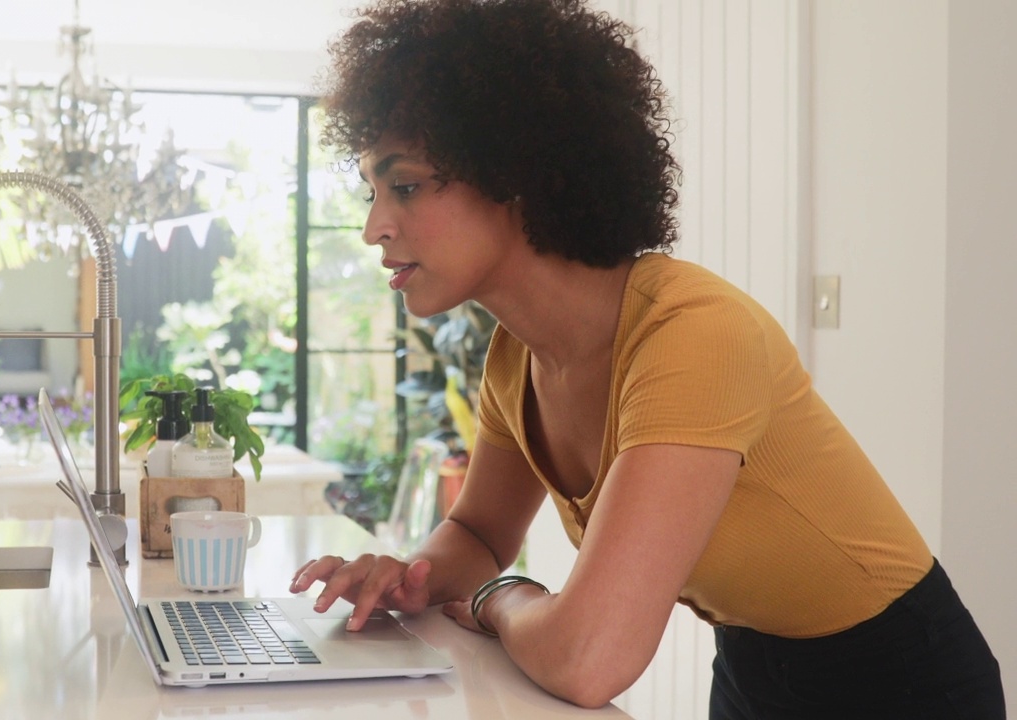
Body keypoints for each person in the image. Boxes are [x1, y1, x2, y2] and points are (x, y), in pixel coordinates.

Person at [287, 0, 1006, 717]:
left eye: (404, 185)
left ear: (515, 172)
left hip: (902, 680)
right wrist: (409, 575)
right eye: (373, 192)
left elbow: (590, 658)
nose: (374, 227)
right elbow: (479, 532)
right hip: (753, 665)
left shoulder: (692, 332)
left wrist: (504, 598)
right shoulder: (515, 358)